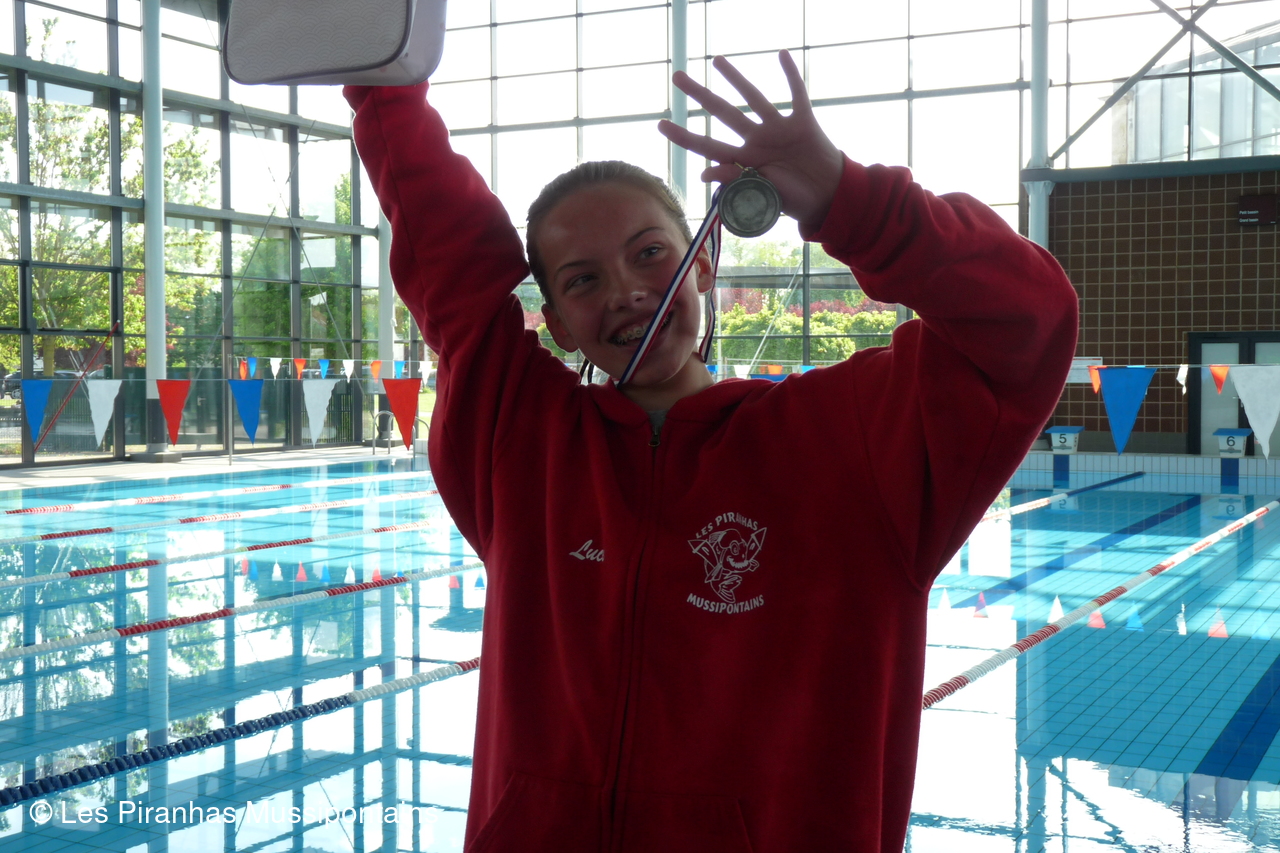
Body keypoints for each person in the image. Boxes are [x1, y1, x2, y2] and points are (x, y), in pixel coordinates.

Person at [346, 50, 1077, 853]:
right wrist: (382, 69)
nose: (626, 290)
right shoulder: (520, 441)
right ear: (555, 325)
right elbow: (451, 250)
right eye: (582, 280)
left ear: (702, 263)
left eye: (649, 253)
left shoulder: (853, 444)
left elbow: (1025, 320)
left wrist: (849, 199)